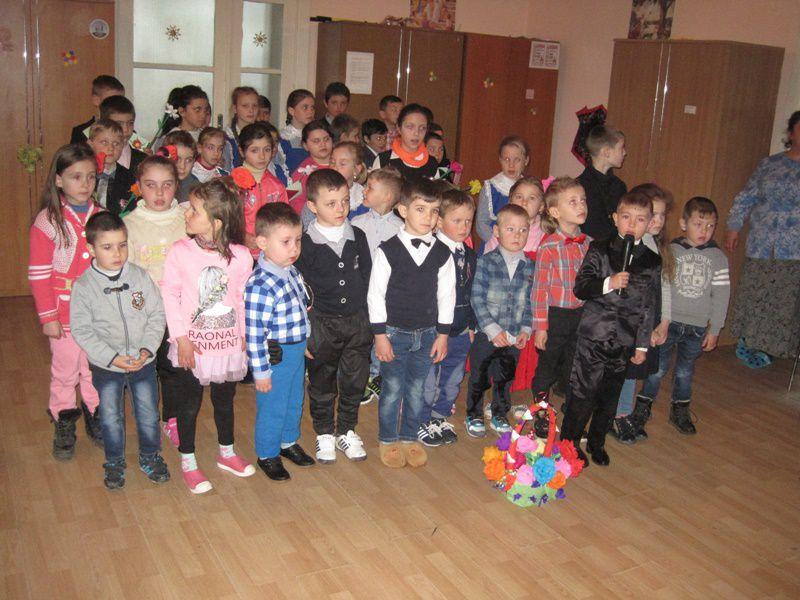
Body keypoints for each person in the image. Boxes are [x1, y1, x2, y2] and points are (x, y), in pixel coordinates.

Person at [161, 178, 256, 494]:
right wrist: (180, 338)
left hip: (227, 344)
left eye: (194, 210)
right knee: (189, 405)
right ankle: (188, 461)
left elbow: (241, 298)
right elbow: (170, 294)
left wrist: (243, 335)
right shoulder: (180, 252)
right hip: (193, 346)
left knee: (224, 401)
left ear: (216, 222)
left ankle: (226, 453)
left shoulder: (241, 256)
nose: (186, 213)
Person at [559, 190, 661, 467]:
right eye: (626, 217)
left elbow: (649, 306)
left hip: (625, 339)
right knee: (583, 392)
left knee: (609, 396)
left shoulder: (652, 261)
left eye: (640, 219)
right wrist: (609, 283)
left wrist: (642, 345)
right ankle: (568, 443)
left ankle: (597, 442)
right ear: (615, 218)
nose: (632, 224)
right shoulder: (599, 249)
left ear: (650, 223)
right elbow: (581, 287)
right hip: (594, 336)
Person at [70, 212, 169, 490]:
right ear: (91, 249)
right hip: (107, 367)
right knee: (111, 417)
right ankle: (114, 461)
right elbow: (82, 330)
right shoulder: (84, 286)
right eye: (107, 247)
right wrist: (112, 358)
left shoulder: (139, 277)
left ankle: (150, 456)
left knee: (148, 413)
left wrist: (147, 349)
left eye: (122, 245)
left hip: (142, 363)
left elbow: (156, 315)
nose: (117, 253)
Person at [368, 178, 455, 468]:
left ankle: (409, 437)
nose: (428, 217)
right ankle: (388, 438)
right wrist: (380, 336)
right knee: (392, 389)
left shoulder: (443, 253)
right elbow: (375, 295)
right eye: (420, 209)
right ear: (403, 210)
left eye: (434, 211)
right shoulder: (388, 250)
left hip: (428, 333)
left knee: (418, 389)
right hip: (393, 333)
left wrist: (443, 335)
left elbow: (447, 296)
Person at [30, 144, 104, 459]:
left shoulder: (102, 216)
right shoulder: (48, 221)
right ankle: (63, 418)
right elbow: (39, 274)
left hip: (97, 314)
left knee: (94, 368)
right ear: (59, 180)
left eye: (91, 176)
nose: (85, 183)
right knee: (65, 371)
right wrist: (48, 317)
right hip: (63, 313)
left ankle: (95, 412)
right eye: (76, 177)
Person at [295, 169, 373, 463]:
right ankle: (325, 432)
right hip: (321, 324)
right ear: (312, 206)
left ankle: (347, 430)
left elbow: (368, 279)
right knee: (322, 380)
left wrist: (369, 321)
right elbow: (299, 291)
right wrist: (304, 330)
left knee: (355, 380)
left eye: (344, 201)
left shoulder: (358, 236)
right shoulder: (305, 244)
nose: (340, 208)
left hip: (357, 322)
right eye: (331, 203)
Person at [635, 197, 730, 436]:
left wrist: (715, 329)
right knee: (657, 368)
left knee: (685, 371)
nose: (704, 231)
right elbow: (661, 287)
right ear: (683, 223)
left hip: (697, 327)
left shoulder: (718, 257)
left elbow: (721, 296)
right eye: (698, 224)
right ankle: (643, 407)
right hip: (670, 322)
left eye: (710, 226)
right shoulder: (671, 250)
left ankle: (680, 410)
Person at [245, 203, 315, 481]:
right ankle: (267, 453)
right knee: (273, 406)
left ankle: (287, 442)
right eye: (285, 242)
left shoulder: (291, 271)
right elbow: (254, 333)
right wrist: (260, 371)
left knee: (294, 400)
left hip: (296, 349)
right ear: (262, 243)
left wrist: (305, 341)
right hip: (276, 357)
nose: (294, 248)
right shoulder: (260, 285)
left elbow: (300, 309)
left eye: (297, 240)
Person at [726, 111, 800, 368]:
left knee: (784, 301)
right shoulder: (769, 164)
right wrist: (734, 227)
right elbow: (746, 196)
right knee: (756, 294)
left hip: (794, 250)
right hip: (762, 243)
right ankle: (749, 343)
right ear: (790, 133)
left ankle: (774, 349)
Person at [123, 155, 188, 448]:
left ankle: (171, 418)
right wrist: (138, 309)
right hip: (146, 313)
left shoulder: (187, 220)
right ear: (139, 186)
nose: (159, 193)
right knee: (146, 368)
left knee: (175, 368)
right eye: (150, 185)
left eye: (167, 185)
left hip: (180, 312)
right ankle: (147, 419)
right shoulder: (130, 225)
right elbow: (127, 273)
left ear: (177, 185)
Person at [611, 183, 673, 444]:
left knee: (636, 369)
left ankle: (624, 413)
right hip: (631, 320)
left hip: (650, 319)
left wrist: (665, 321)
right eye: (652, 214)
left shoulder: (658, 247)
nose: (656, 220)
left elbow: (666, 288)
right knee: (626, 369)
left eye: (661, 215)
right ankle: (618, 414)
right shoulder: (634, 246)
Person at [464, 204, 534, 437]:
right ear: (496, 231)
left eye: (523, 230)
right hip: (487, 334)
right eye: (510, 229)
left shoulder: (530, 267)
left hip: (514, 335)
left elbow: (530, 302)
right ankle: (474, 414)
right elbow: (477, 298)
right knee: (479, 377)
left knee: (505, 378)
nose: (517, 235)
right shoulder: (486, 262)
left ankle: (499, 413)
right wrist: (492, 329)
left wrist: (526, 329)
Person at [483, 178, 546, 415]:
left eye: (532, 198)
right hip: (500, 310)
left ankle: (517, 398)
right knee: (498, 357)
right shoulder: (499, 235)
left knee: (525, 358)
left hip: (527, 310)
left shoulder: (545, 237)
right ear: (510, 201)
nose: (524, 202)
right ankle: (496, 398)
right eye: (519, 197)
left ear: (542, 206)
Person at [419, 187, 476, 446]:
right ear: (439, 222)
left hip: (461, 329)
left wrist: (472, 324)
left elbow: (471, 292)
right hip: (434, 329)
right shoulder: (431, 252)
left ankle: (439, 416)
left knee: (453, 378)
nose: (464, 227)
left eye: (468, 221)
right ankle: (420, 419)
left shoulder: (469, 254)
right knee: (428, 379)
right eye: (457, 220)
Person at [530, 177, 591, 408]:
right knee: (549, 361)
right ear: (555, 211)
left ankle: (568, 396)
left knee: (574, 360)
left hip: (582, 314)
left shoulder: (589, 244)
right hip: (556, 315)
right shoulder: (548, 247)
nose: (581, 205)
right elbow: (539, 290)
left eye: (583, 200)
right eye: (572, 202)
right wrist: (541, 327)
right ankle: (541, 406)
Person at [352, 166, 404, 404]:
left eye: (370, 188)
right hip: (362, 290)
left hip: (387, 293)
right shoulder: (357, 222)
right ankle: (360, 375)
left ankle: (376, 374)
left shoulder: (400, 228)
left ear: (387, 196)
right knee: (362, 333)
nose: (364, 190)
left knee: (382, 331)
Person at [233, 122, 289, 257]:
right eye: (254, 150)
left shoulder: (277, 186)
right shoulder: (231, 184)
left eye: (267, 150)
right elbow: (223, 220)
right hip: (238, 253)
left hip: (269, 254)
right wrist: (242, 236)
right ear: (241, 151)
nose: (262, 156)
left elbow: (284, 221)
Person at [475, 136, 530, 248]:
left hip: (523, 244)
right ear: (500, 159)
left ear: (526, 161)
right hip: (495, 246)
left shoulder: (529, 188)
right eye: (507, 159)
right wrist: (499, 243)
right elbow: (481, 223)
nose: (511, 165)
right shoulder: (490, 188)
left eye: (517, 160)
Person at [578, 124, 627, 241]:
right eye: (621, 148)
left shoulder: (619, 186)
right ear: (606, 152)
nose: (625, 152)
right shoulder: (580, 186)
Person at [373, 103, 438, 182]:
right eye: (410, 127)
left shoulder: (432, 163)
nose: (416, 133)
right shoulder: (384, 160)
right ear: (399, 128)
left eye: (422, 128)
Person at [86, 119, 135, 215]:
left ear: (122, 146)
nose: (111, 148)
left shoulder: (130, 178)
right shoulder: (83, 175)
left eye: (116, 143)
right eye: (104, 142)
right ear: (90, 144)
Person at [289, 119, 333, 215]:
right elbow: (291, 200)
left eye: (326, 139)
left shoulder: (341, 162)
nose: (323, 144)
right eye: (316, 141)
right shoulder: (301, 172)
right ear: (305, 145)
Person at [151, 85, 211, 152]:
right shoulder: (169, 139)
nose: (203, 115)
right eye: (197, 110)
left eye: (205, 110)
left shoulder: (207, 136)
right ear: (182, 111)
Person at [99, 95, 148, 173]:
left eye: (130, 123)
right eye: (119, 124)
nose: (126, 130)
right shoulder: (93, 159)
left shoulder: (143, 159)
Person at [70, 75, 124, 144]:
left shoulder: (127, 131)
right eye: (111, 100)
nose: (118, 105)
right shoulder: (80, 133)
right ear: (96, 100)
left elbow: (137, 149)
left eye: (121, 101)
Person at [223, 86, 259, 171]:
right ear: (235, 108)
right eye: (245, 106)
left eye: (254, 106)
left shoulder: (263, 135)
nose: (251, 110)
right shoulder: (226, 138)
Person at [280, 89, 316, 174]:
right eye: (305, 107)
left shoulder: (317, 135)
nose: (310, 112)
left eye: (312, 108)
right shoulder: (283, 137)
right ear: (291, 111)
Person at [161, 130, 200, 203]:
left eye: (188, 160)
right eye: (177, 159)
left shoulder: (197, 190)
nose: (182, 166)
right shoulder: (155, 183)